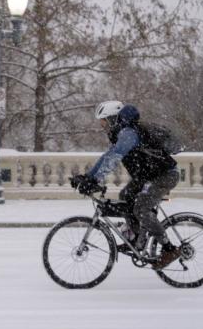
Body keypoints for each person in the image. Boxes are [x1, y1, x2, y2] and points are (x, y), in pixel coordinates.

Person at [71, 101, 182, 270]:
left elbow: (115, 157)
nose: (103, 126)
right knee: (126, 196)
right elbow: (107, 156)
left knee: (142, 208)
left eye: (104, 121)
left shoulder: (129, 133)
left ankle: (169, 249)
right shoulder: (121, 133)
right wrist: (88, 177)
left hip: (164, 175)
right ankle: (137, 237)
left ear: (113, 119)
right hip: (148, 176)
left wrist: (94, 180)